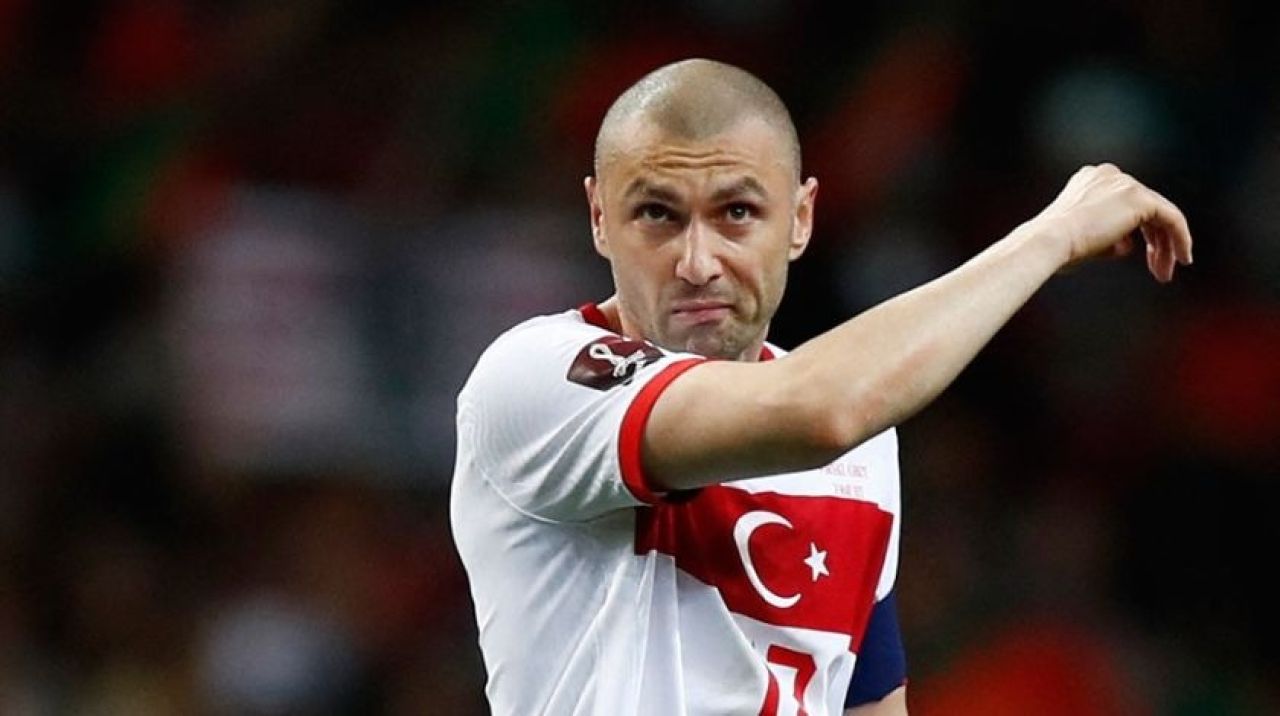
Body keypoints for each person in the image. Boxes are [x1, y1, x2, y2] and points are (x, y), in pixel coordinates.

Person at [450, 58, 1192, 716]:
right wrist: (1049, 236)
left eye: (737, 213)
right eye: (656, 215)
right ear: (598, 218)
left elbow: (869, 702)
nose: (698, 262)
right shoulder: (537, 377)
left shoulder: (867, 445)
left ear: (800, 219)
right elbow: (819, 410)